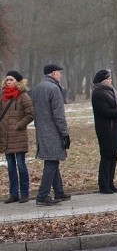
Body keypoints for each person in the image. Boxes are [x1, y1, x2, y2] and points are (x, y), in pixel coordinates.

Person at [30, 64, 71, 206]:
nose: (60, 75)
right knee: (51, 162)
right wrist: (65, 133)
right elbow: (59, 115)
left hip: (41, 130)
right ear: (53, 74)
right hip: (53, 131)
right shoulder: (54, 89)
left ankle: (59, 192)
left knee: (52, 160)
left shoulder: (37, 88)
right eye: (59, 73)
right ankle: (42, 195)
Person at [90, 70, 117, 194]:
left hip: (114, 127)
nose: (110, 80)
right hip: (105, 129)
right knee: (106, 157)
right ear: (102, 80)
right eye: (108, 78)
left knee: (113, 156)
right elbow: (103, 111)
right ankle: (103, 184)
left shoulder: (110, 91)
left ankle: (110, 182)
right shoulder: (98, 93)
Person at [0, 71, 34, 203]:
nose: (8, 82)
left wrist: (19, 125)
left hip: (18, 136)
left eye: (11, 79)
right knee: (10, 166)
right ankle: (13, 194)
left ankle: (24, 193)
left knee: (21, 165)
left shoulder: (23, 96)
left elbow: (30, 114)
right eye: (7, 79)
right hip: (6, 137)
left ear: (18, 81)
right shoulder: (2, 95)